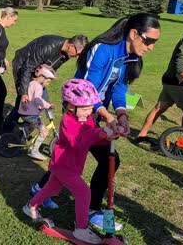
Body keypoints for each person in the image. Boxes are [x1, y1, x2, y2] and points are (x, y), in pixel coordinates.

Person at [30, 13, 161, 230]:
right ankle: (89, 210)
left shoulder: (132, 57)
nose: (151, 47)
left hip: (97, 112)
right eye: (149, 41)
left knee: (80, 159)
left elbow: (119, 88)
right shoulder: (103, 49)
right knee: (93, 158)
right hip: (80, 111)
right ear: (134, 34)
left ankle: (41, 190)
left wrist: (120, 114)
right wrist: (108, 118)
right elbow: (86, 90)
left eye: (155, 43)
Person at [23, 79, 115, 244]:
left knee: (52, 188)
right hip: (63, 165)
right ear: (71, 106)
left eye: (90, 108)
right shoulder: (68, 121)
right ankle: (81, 229)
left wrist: (108, 136)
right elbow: (78, 141)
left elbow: (93, 135)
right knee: (83, 192)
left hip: (72, 165)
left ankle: (30, 205)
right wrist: (101, 133)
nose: (89, 111)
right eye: (86, 108)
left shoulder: (87, 119)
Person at [1, 34, 89, 133]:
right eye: (77, 54)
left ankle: (25, 132)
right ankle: (6, 132)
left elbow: (52, 67)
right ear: (71, 46)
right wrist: (24, 92)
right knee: (24, 100)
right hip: (23, 66)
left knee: (38, 100)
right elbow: (27, 68)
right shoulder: (47, 47)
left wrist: (46, 80)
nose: (77, 57)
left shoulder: (67, 53)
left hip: (39, 73)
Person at [135, 27, 183, 145]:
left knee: (159, 108)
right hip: (176, 82)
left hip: (171, 80)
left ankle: (141, 136)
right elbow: (181, 67)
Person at [19, 65, 57, 160]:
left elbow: (32, 98)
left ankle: (22, 140)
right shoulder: (39, 87)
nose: (47, 84)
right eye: (48, 82)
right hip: (31, 114)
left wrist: (39, 105)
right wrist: (47, 105)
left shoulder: (31, 83)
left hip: (25, 112)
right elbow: (37, 99)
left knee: (32, 127)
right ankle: (34, 151)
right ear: (42, 77)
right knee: (44, 131)